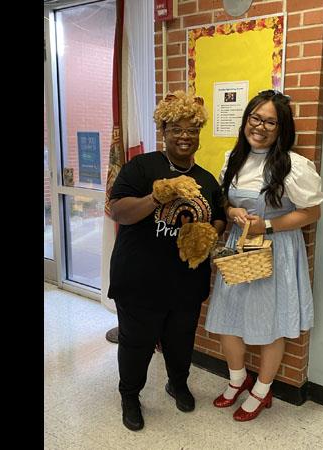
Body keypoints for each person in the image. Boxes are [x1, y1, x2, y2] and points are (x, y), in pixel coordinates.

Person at [108, 91, 227, 431]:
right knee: (136, 344)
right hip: (139, 280)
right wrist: (157, 195)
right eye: (176, 128)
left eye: (192, 129)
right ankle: (130, 395)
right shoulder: (142, 167)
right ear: (163, 129)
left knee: (180, 340)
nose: (185, 135)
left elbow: (218, 217)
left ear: (200, 133)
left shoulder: (205, 179)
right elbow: (118, 211)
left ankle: (177, 383)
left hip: (186, 283)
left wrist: (207, 233)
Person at [205, 89, 323, 421]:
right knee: (229, 319)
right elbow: (225, 202)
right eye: (255, 118)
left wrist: (267, 226)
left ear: (281, 128)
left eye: (270, 121)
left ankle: (262, 389)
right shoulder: (233, 158)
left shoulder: (294, 166)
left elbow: (312, 213)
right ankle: (238, 379)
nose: (260, 126)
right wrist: (231, 213)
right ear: (246, 119)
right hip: (237, 249)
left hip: (276, 251)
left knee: (271, 323)